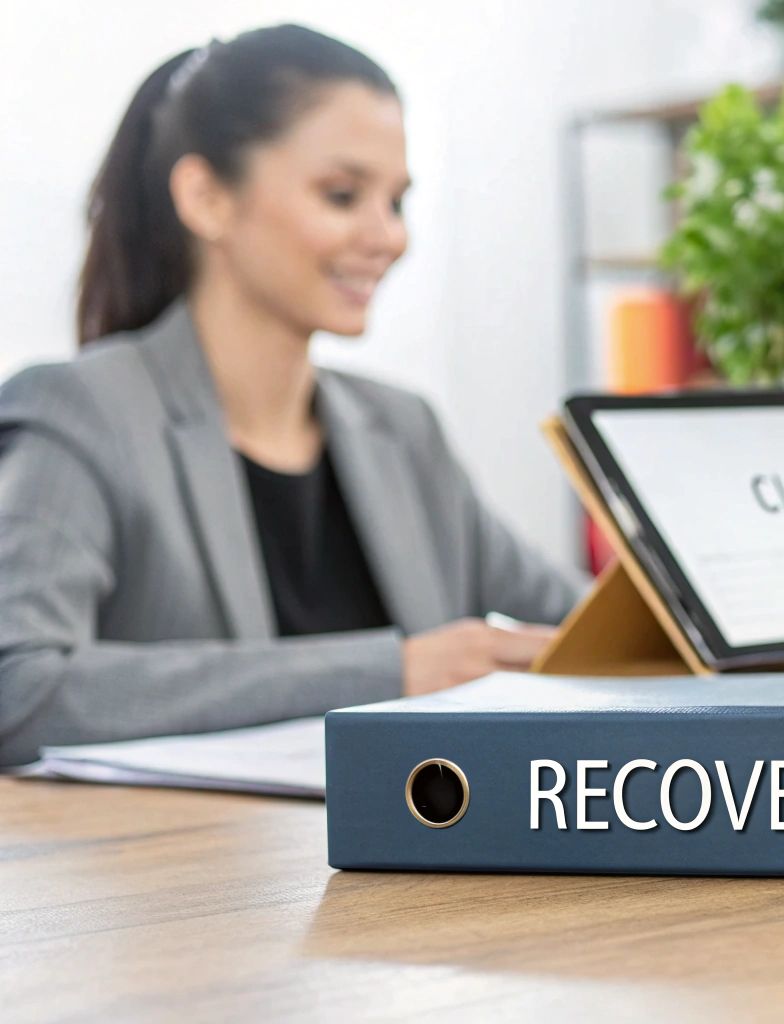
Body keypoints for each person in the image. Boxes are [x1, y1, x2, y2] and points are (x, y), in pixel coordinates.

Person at [0, 26, 585, 766]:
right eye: (343, 195)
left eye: (396, 201)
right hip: (191, 877)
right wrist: (393, 672)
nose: (389, 236)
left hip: (410, 872)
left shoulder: (402, 430)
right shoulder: (80, 412)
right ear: (207, 197)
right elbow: (18, 688)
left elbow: (583, 620)